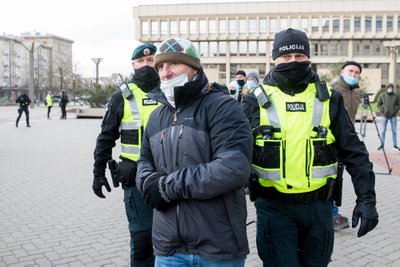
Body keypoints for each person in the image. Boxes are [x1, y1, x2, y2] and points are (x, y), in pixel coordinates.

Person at [242, 28, 378, 266]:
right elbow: (234, 154)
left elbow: (354, 151)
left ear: (308, 58)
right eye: (286, 57)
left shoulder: (329, 98)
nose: (292, 61)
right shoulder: (255, 100)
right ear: (275, 59)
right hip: (274, 208)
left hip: (319, 209)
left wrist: (366, 198)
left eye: (299, 56)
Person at [136, 37, 252, 266]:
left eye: (173, 64)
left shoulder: (223, 107)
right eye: (160, 66)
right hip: (168, 248)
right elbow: (144, 162)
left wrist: (167, 186)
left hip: (218, 247)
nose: (165, 72)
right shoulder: (157, 116)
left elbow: (233, 168)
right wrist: (147, 181)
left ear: (193, 67)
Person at [92, 43, 160, 267]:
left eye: (150, 61)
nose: (146, 66)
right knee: (142, 243)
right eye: (141, 62)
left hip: (169, 177)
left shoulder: (171, 91)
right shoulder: (122, 96)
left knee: (172, 242)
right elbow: (105, 137)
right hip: (136, 179)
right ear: (133, 65)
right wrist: (98, 171)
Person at [330, 60, 363, 230]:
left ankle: (332, 213)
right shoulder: (333, 89)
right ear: (342, 72)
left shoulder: (355, 91)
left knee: (338, 177)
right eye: (350, 71)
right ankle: (332, 215)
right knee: (332, 177)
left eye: (356, 73)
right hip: (332, 140)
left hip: (347, 139)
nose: (353, 75)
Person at [377, 83, 400, 151]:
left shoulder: (396, 95)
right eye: (389, 87)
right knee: (383, 131)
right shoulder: (382, 95)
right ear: (386, 88)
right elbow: (378, 104)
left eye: (391, 88)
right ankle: (382, 144)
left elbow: (399, 104)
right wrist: (382, 110)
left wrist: (395, 111)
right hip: (384, 116)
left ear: (393, 88)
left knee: (394, 131)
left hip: (393, 116)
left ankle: (395, 145)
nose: (390, 89)